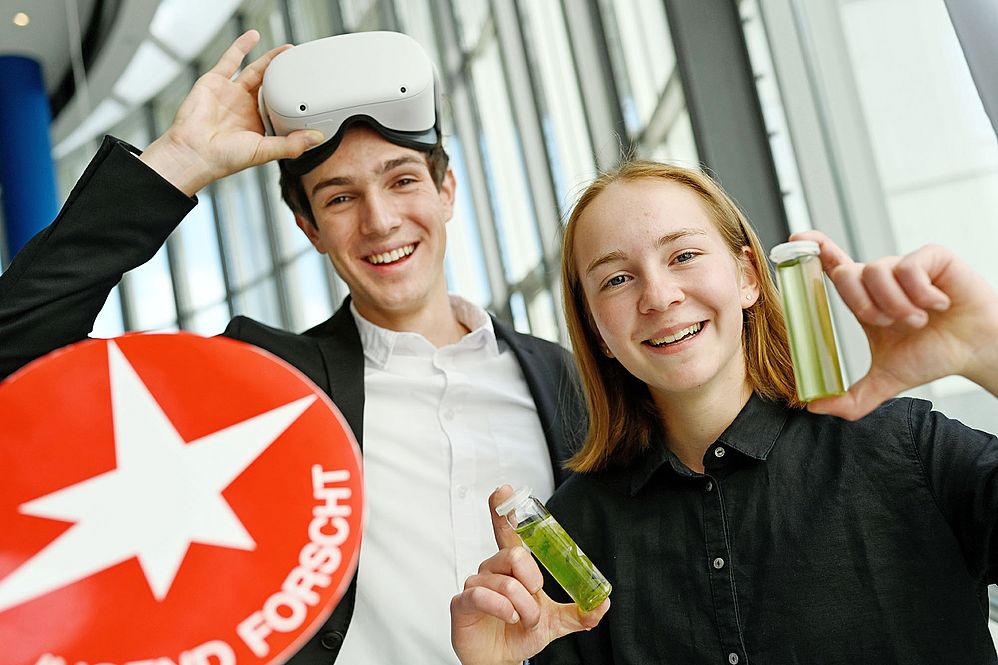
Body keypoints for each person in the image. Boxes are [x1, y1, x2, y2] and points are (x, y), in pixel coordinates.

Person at [0, 31, 585, 664]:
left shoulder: (564, 380)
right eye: (341, 197)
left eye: (402, 181)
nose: (380, 220)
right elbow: (20, 351)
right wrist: (180, 162)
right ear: (309, 228)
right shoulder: (264, 382)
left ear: (445, 192)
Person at [450, 160, 998, 664]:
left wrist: (988, 353)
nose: (658, 296)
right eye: (617, 279)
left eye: (684, 256)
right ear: (597, 330)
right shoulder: (575, 535)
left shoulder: (902, 446)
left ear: (748, 276)